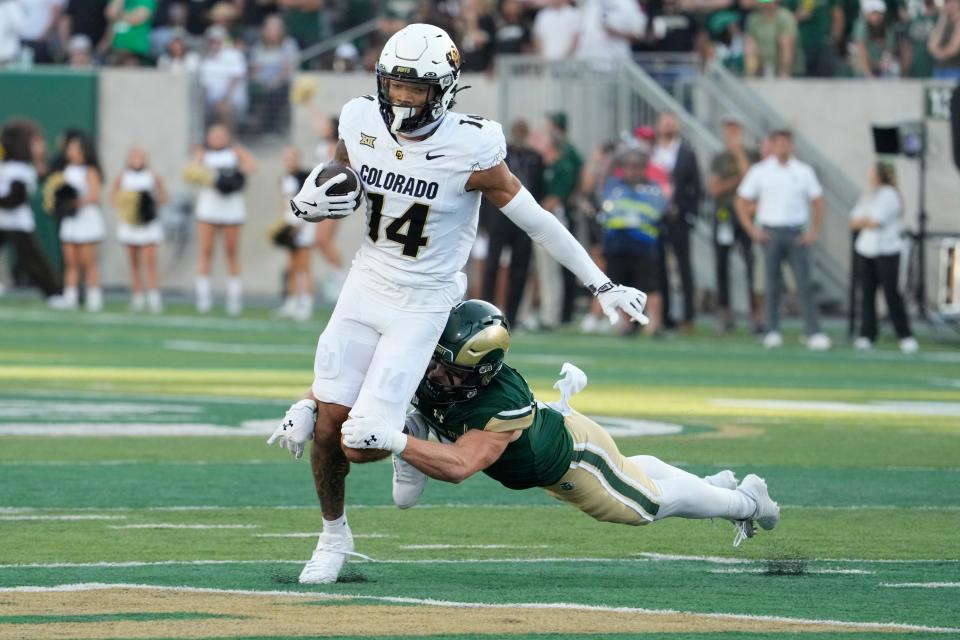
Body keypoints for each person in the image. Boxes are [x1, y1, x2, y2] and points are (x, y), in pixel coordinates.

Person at [266, 23, 651, 586]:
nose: (400, 98)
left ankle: (409, 433)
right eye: (394, 85)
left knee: (363, 438)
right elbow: (344, 179)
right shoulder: (359, 118)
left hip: (425, 296)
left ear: (444, 89)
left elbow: (538, 221)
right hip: (367, 278)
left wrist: (601, 283)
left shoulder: (472, 146)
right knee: (324, 427)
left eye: (415, 89)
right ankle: (333, 537)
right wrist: (311, 200)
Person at [340, 299, 780, 550]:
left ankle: (745, 502)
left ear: (483, 373)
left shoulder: (500, 400)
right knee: (629, 471)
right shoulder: (429, 360)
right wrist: (307, 410)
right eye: (436, 361)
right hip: (557, 445)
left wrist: (395, 440)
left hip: (572, 458)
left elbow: (460, 466)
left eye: (451, 372)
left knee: (643, 506)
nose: (435, 376)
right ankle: (712, 485)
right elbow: (358, 372)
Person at [734, 129, 831, 350]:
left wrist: (814, 231)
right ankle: (772, 330)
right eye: (778, 143)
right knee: (771, 284)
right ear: (773, 145)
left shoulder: (803, 171)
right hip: (770, 232)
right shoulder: (761, 171)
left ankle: (813, 331)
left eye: (787, 143)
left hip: (796, 231)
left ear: (792, 145)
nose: (783, 147)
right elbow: (741, 200)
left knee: (804, 284)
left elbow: (818, 201)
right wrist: (752, 230)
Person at [182, 123, 256, 315]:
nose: (218, 138)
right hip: (209, 207)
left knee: (231, 251)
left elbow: (251, 167)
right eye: (214, 135)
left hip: (232, 206)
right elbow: (192, 174)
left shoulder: (235, 152)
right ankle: (204, 298)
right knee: (206, 251)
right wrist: (201, 167)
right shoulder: (203, 154)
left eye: (222, 135)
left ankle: (234, 299)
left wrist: (233, 175)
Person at [598, 146, 668, 336]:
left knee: (650, 286)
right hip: (616, 244)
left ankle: (654, 325)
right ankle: (625, 326)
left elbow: (658, 212)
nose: (633, 170)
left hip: (643, 244)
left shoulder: (653, 189)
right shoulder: (614, 185)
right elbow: (601, 191)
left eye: (637, 166)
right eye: (628, 166)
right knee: (618, 286)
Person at [850, 161, 917, 353]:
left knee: (890, 293)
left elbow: (875, 222)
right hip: (866, 249)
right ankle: (867, 334)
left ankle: (905, 335)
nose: (869, 174)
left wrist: (864, 221)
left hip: (887, 250)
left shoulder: (890, 195)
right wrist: (864, 221)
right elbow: (854, 221)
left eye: (872, 171)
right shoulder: (868, 195)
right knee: (867, 293)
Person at [708, 115, 762, 334]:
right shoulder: (718, 158)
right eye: (727, 131)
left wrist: (739, 153)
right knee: (721, 265)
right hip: (724, 214)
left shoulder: (751, 155)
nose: (730, 135)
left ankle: (755, 312)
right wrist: (738, 179)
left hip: (747, 216)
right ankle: (724, 312)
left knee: (751, 264)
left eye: (734, 130)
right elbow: (715, 188)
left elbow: (752, 179)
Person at [0, 118, 61, 300]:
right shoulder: (12, 167)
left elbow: (15, 198)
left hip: (18, 222)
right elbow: (12, 198)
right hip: (6, 219)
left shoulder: (23, 169)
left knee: (32, 259)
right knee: (31, 258)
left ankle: (54, 292)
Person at [652, 111, 700, 333]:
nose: (668, 127)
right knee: (658, 268)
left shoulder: (687, 153)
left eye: (672, 123)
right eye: (665, 122)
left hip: (678, 218)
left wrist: (688, 212)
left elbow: (695, 187)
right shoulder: (652, 152)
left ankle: (688, 316)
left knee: (683, 267)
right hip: (655, 218)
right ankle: (664, 315)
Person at [51, 132, 105, 312]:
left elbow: (95, 196)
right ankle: (70, 296)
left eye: (74, 148)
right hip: (71, 220)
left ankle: (94, 297)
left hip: (86, 219)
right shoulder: (66, 170)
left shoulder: (90, 170)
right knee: (70, 262)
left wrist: (76, 202)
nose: (70, 151)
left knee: (88, 262)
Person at [111, 144, 167, 313]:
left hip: (148, 223)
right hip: (131, 224)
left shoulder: (152, 175)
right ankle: (137, 296)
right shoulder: (123, 176)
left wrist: (150, 205)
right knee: (134, 262)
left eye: (140, 156)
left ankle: (154, 296)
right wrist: (128, 207)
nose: (137, 159)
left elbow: (164, 195)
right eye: (133, 156)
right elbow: (113, 196)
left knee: (150, 261)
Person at [273, 147, 315, 321]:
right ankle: (291, 302)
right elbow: (286, 203)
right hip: (290, 224)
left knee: (304, 267)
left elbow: (310, 203)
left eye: (292, 158)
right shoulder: (284, 178)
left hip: (303, 225)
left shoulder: (305, 177)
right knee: (291, 266)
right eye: (286, 158)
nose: (289, 162)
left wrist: (300, 225)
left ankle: (306, 304)